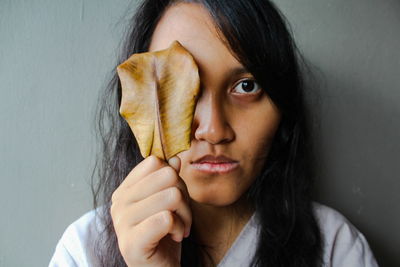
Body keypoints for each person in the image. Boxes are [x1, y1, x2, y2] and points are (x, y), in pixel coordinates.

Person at [49, 0, 379, 266]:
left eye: (246, 86)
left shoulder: (335, 248)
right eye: (177, 86)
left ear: (282, 104)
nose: (213, 130)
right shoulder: (84, 252)